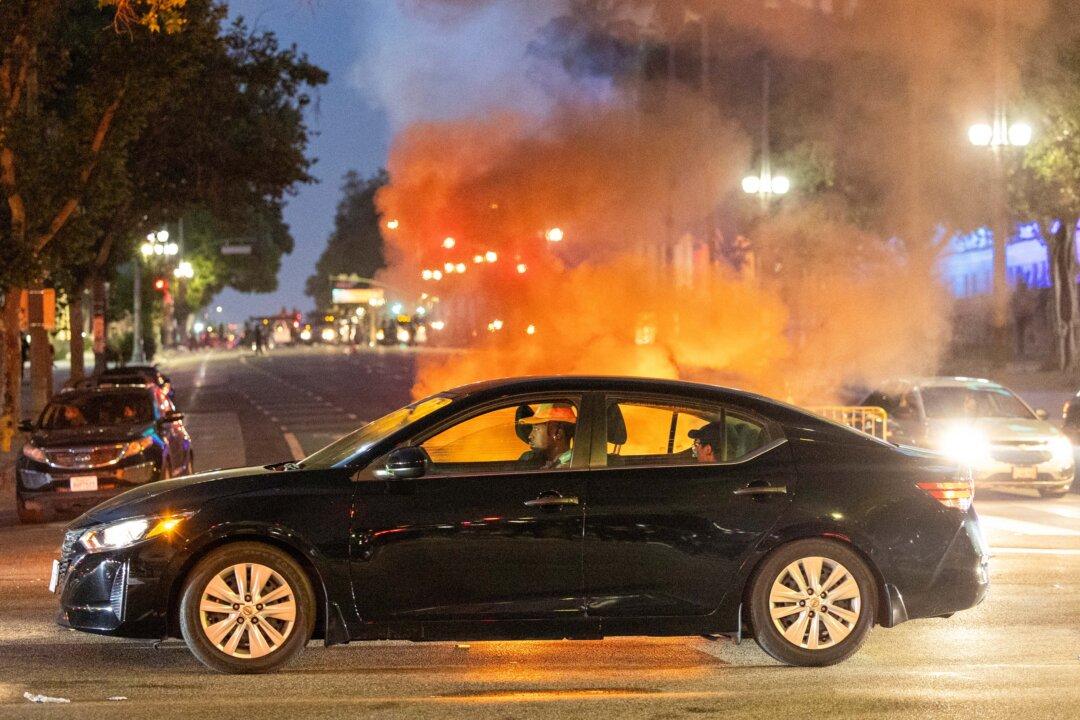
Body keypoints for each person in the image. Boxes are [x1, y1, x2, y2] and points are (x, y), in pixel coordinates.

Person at [517, 403, 577, 469]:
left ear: (557, 433)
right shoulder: (550, 462)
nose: (530, 436)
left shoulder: (567, 467)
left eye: (536, 429)